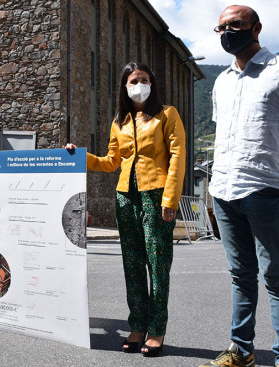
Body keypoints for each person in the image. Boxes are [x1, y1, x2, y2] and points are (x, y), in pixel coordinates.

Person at [201, 6, 279, 367]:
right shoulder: (221, 81)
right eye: (221, 27)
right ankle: (242, 349)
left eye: (234, 25)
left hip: (267, 191)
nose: (227, 32)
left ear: (256, 29)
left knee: (275, 275)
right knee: (241, 275)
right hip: (223, 190)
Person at [67, 62, 186, 357]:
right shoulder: (119, 121)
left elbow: (177, 156)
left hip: (156, 196)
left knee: (157, 266)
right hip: (125, 198)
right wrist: (80, 156)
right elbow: (111, 161)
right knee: (132, 266)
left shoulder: (167, 114)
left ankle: (156, 329)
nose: (139, 84)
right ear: (124, 86)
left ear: (152, 83)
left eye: (144, 79)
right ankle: (137, 325)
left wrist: (170, 200)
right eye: (133, 80)